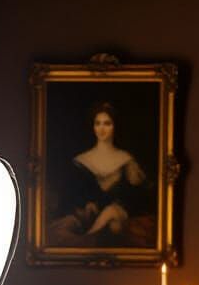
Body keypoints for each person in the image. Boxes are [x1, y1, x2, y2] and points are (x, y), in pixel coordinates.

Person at [48, 102, 151, 247]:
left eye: (107, 123)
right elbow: (72, 196)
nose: (101, 129)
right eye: (98, 123)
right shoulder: (81, 160)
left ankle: (87, 238)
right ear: (93, 126)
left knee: (113, 219)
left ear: (115, 126)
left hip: (117, 213)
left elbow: (137, 197)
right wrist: (87, 205)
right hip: (88, 217)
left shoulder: (126, 159)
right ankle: (87, 237)